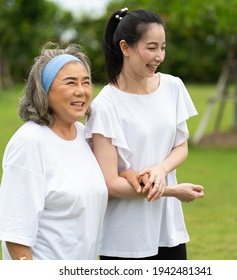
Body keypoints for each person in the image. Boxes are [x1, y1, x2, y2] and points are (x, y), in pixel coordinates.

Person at [85, 8, 205, 260]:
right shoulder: (105, 105)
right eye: (151, 48)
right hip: (125, 237)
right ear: (125, 47)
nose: (159, 56)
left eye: (163, 47)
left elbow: (181, 147)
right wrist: (172, 191)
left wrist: (160, 171)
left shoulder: (173, 87)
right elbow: (111, 184)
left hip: (168, 228)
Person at [0, 42, 108, 260]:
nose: (81, 91)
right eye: (70, 82)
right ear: (44, 89)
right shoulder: (29, 143)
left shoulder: (85, 135)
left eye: (86, 82)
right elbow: (15, 236)